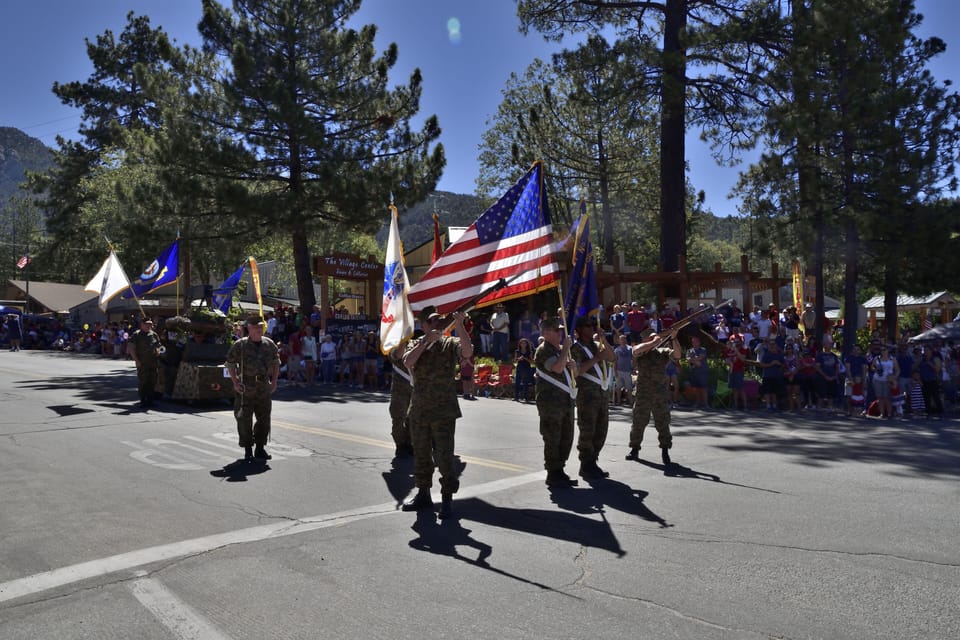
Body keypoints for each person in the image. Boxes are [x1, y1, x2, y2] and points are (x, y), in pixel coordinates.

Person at [402, 307, 473, 519]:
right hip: (420, 410)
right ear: (423, 325)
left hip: (443, 410)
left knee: (444, 456)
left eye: (438, 320)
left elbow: (467, 352)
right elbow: (407, 361)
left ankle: (447, 498)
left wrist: (459, 325)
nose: (436, 324)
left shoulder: (449, 344)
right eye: (431, 321)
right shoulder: (417, 343)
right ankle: (423, 494)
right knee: (421, 454)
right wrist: (425, 342)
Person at [225, 315, 280, 461]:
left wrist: (274, 382)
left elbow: (276, 363)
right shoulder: (240, 345)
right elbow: (230, 364)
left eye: (261, 326)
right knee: (244, 420)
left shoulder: (269, 344)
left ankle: (260, 448)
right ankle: (248, 449)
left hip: (263, 387)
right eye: (255, 327)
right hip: (246, 388)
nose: (259, 329)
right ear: (249, 329)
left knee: (264, 420)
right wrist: (235, 382)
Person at [626, 326, 681, 466]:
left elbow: (677, 355)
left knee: (663, 423)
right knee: (638, 422)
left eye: (654, 336)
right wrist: (654, 341)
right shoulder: (641, 350)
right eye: (650, 337)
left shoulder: (662, 351)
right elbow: (635, 351)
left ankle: (665, 450)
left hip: (659, 394)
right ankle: (634, 449)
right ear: (645, 339)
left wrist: (674, 338)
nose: (655, 339)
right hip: (643, 393)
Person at [533, 317, 578, 487]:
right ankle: (553, 473)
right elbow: (557, 368)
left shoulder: (558, 351)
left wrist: (573, 366)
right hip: (550, 403)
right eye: (556, 330)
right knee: (553, 437)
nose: (561, 333)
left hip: (565, 401)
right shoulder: (543, 350)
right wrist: (565, 348)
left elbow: (572, 375)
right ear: (546, 333)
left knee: (566, 436)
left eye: (561, 330)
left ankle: (560, 470)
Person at [570, 316, 616, 480]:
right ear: (579, 329)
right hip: (587, 395)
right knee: (588, 430)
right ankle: (586, 464)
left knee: (601, 430)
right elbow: (577, 371)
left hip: (602, 395)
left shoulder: (598, 345)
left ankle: (593, 460)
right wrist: (596, 358)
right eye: (587, 326)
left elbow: (612, 358)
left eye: (592, 326)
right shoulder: (576, 348)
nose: (591, 328)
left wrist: (604, 339)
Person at [388, 338, 415, 458]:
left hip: (415, 388)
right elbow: (397, 355)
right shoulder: (394, 346)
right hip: (400, 390)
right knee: (398, 418)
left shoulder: (418, 344)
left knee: (412, 418)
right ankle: (400, 444)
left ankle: (409, 443)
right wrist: (404, 341)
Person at [127, 317, 162, 409]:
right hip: (142, 363)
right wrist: (136, 360)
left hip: (153, 362)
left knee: (152, 381)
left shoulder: (154, 334)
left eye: (150, 324)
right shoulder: (136, 334)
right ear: (141, 325)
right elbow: (131, 348)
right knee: (143, 381)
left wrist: (158, 351)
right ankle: (143, 400)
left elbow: (159, 346)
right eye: (146, 324)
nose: (148, 326)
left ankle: (150, 400)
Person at [758, 338, 785, 411]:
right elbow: (761, 364)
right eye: (771, 344)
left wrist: (779, 364)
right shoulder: (766, 354)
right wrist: (771, 364)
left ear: (776, 345)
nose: (772, 346)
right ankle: (768, 405)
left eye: (773, 344)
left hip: (777, 376)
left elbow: (784, 365)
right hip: (767, 375)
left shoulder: (779, 355)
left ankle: (774, 405)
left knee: (774, 392)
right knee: (767, 391)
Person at [685, 335, 709, 410]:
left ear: (699, 342)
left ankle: (706, 404)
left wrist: (693, 360)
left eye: (695, 341)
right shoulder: (689, 350)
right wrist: (696, 362)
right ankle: (698, 402)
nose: (694, 343)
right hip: (694, 372)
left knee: (703, 388)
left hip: (702, 372)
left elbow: (701, 357)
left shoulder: (703, 349)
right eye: (693, 342)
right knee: (696, 388)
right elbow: (688, 359)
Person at [612, 333, 634, 406]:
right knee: (618, 387)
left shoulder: (630, 349)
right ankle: (618, 401)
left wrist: (633, 368)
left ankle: (631, 402)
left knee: (629, 387)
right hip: (619, 370)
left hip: (627, 371)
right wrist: (615, 371)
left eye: (624, 339)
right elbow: (615, 361)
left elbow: (633, 359)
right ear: (619, 341)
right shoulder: (616, 350)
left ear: (626, 340)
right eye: (621, 339)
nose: (623, 340)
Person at [513, 337, 534, 402]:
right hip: (519, 367)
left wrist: (525, 358)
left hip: (527, 368)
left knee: (526, 382)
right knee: (517, 382)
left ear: (527, 344)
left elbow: (532, 362)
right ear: (520, 344)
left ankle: (525, 397)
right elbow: (515, 361)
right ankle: (516, 397)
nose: (523, 344)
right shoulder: (517, 351)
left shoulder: (530, 352)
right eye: (522, 343)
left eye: (525, 343)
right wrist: (519, 359)